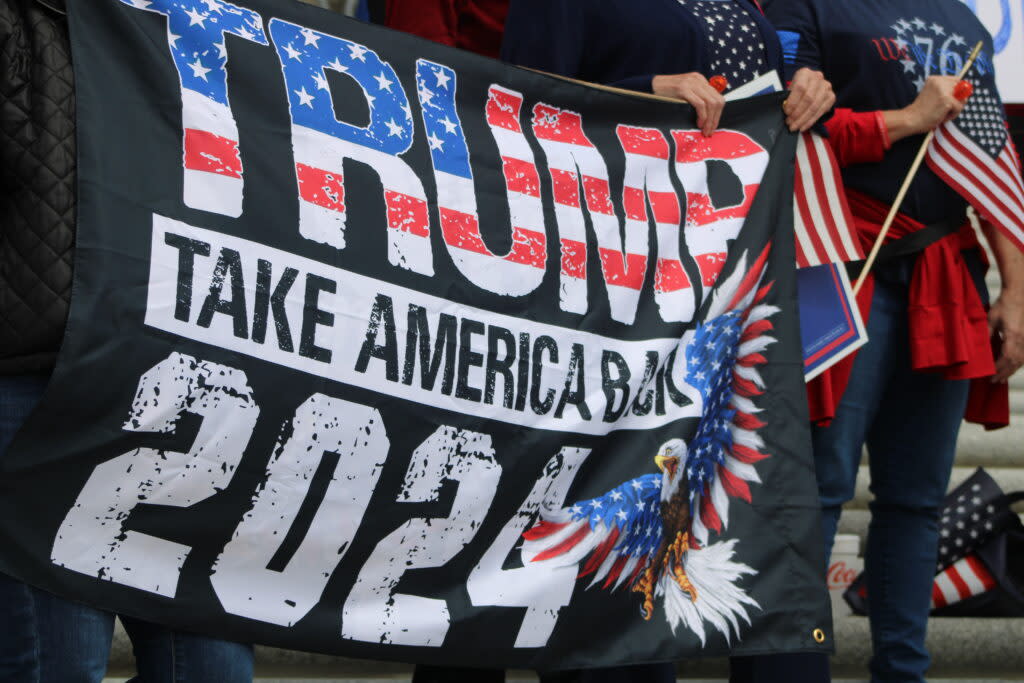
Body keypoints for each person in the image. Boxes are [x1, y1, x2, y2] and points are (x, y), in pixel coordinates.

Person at [500, 3, 837, 682]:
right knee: (623, 598)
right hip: (618, 294)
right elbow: (516, 104)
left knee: (768, 542)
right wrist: (644, 88)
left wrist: (808, 88)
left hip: (730, 289)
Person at [762, 0, 1024, 681]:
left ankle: (903, 672)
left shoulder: (964, 23)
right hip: (845, 262)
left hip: (945, 266)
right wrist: (909, 120)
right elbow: (787, 121)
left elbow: (991, 150)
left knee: (917, 497)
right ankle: (795, 667)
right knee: (819, 483)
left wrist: (1017, 286)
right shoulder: (804, 7)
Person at [0, 1, 255, 681]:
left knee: (210, 667)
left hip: (182, 392)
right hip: (38, 388)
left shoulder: (206, 29)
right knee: (58, 663)